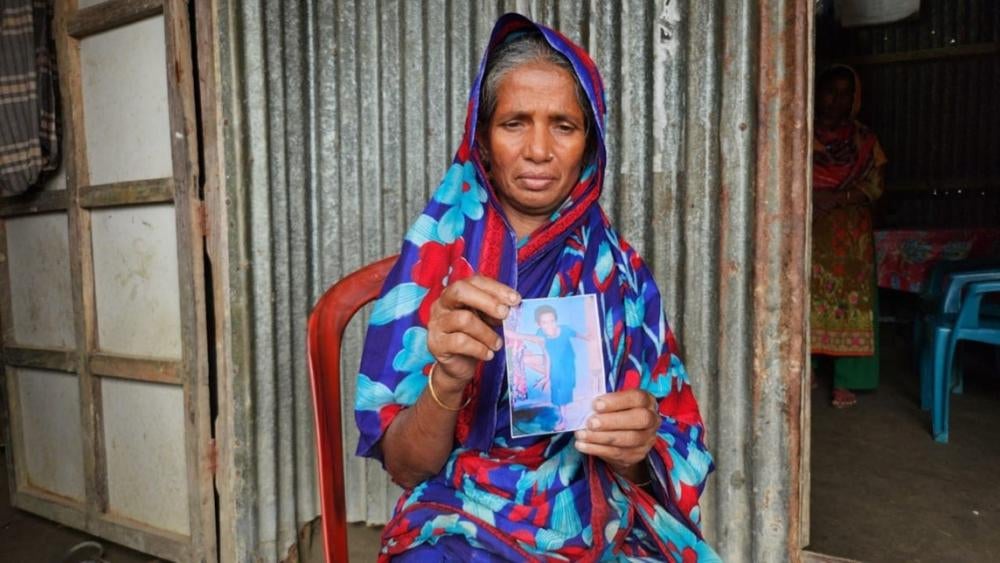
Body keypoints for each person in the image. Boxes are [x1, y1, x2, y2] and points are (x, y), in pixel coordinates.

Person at [354, 14, 719, 561]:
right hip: (461, 517)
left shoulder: (619, 271)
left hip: (602, 518)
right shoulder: (437, 259)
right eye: (514, 123)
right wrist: (448, 381)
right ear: (481, 134)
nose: (539, 150)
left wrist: (635, 453)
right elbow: (408, 469)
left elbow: (669, 451)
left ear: (590, 142)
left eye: (564, 126)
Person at [811, 65, 887, 408]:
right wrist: (812, 197)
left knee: (850, 306)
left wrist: (836, 198)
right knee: (805, 297)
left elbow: (875, 185)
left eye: (845, 94)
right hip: (809, 230)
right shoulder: (800, 135)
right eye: (830, 90)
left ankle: (848, 379)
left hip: (849, 237)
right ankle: (805, 369)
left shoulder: (865, 141)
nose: (835, 100)